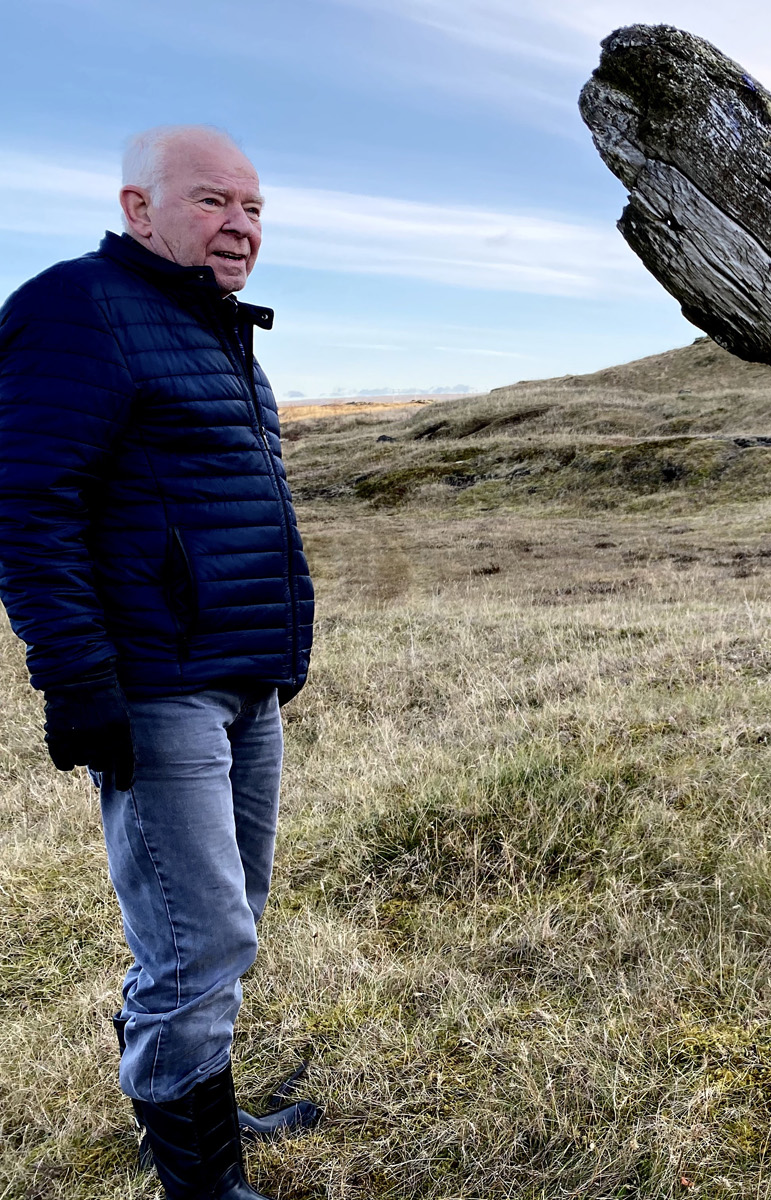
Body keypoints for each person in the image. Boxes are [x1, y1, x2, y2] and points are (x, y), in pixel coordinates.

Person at [0, 125, 318, 1200]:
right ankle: (199, 1176)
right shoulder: (75, 307)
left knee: (231, 914)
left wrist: (287, 636)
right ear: (139, 209)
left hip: (240, 676)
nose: (241, 226)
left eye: (255, 208)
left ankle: (196, 1106)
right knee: (198, 935)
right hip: (154, 685)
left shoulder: (210, 326)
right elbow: (27, 509)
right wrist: (81, 685)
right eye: (213, 202)